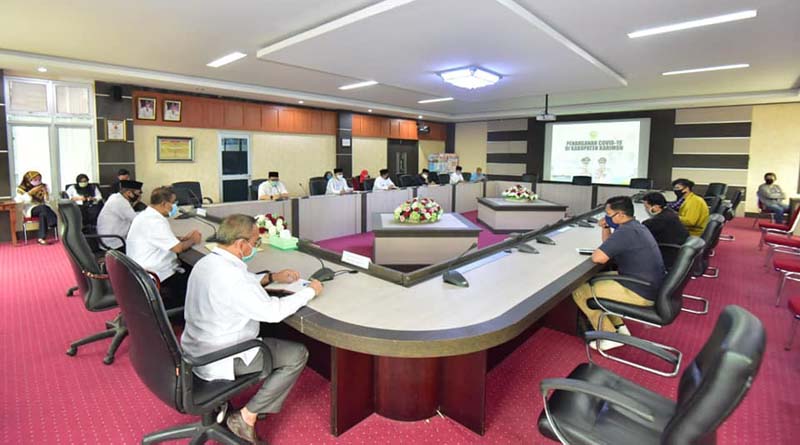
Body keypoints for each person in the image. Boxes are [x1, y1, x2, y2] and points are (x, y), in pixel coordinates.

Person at [181, 214, 324, 444]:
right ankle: (246, 417)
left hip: (195, 351)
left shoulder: (207, 263)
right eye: (255, 242)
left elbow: (239, 287)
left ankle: (242, 406)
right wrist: (310, 291)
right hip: (223, 356)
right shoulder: (235, 279)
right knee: (297, 354)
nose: (256, 247)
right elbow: (273, 313)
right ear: (240, 244)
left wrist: (271, 277)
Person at [572, 196, 665, 351]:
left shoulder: (626, 232)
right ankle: (620, 328)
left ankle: (609, 336)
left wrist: (607, 230)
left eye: (609, 215)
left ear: (621, 215)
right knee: (593, 280)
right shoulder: (633, 226)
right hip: (647, 284)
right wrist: (606, 227)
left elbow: (598, 257)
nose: (606, 218)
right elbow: (608, 247)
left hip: (640, 291)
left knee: (580, 291)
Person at [126, 186, 202, 308]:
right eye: (174, 203)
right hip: (156, 274)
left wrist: (179, 239)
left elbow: (157, 238)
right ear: (164, 204)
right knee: (198, 276)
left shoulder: (145, 215)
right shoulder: (155, 221)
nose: (175, 206)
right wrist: (193, 239)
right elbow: (177, 249)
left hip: (141, 269)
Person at [641, 192, 690, 270]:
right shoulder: (669, 212)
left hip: (668, 252)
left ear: (656, 207)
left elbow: (641, 234)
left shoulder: (658, 220)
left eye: (647, 207)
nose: (646, 209)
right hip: (678, 248)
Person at [96, 180, 142, 251]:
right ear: (129, 193)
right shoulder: (120, 202)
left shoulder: (115, 197)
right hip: (115, 241)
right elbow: (137, 220)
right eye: (139, 193)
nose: (140, 195)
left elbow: (130, 213)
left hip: (110, 237)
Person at [14, 171, 57, 245]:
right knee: (43, 208)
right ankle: (54, 222)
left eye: (39, 179)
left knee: (43, 213)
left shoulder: (44, 186)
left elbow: (49, 200)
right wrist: (30, 193)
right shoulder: (21, 189)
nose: (38, 182)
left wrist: (46, 194)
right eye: (35, 180)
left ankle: (41, 238)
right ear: (28, 180)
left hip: (44, 208)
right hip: (30, 209)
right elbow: (20, 201)